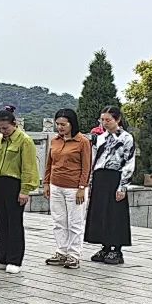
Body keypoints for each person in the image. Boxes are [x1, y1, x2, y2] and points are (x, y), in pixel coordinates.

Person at [0, 107, 40, 274]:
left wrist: (25, 190)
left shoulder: (24, 141)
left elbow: (28, 167)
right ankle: (1, 257)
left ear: (14, 124)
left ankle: (15, 259)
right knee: (1, 221)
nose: (2, 131)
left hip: (14, 183)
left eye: (5, 128)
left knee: (14, 222)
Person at [85, 106, 134, 265]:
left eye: (108, 120)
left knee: (116, 213)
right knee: (100, 212)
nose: (105, 123)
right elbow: (95, 160)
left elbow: (129, 162)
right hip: (100, 177)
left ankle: (117, 249)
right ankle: (105, 246)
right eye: (103, 120)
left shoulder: (126, 138)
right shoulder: (101, 137)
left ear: (117, 119)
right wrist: (90, 181)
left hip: (116, 177)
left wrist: (123, 186)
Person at [43, 108, 91, 269]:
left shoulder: (82, 141)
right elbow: (49, 164)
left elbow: (86, 167)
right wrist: (46, 183)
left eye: (63, 124)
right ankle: (61, 251)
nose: (60, 127)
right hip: (56, 185)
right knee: (59, 221)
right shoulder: (55, 140)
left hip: (74, 188)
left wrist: (82, 187)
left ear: (72, 124)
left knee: (75, 222)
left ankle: (74, 255)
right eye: (58, 124)